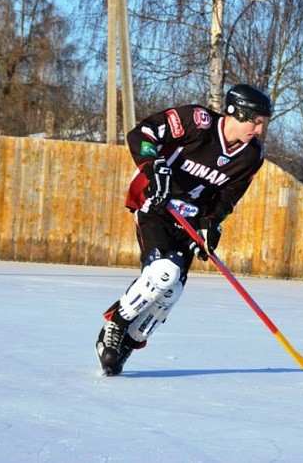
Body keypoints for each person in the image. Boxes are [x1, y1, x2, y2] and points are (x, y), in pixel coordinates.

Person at [95, 84, 273, 375]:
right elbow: (142, 134)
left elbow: (228, 196)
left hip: (189, 220)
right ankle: (116, 325)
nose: (259, 129)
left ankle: (133, 339)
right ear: (235, 114)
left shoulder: (251, 155)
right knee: (163, 272)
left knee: (171, 291)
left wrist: (211, 224)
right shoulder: (196, 121)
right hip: (157, 205)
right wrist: (153, 166)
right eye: (256, 121)